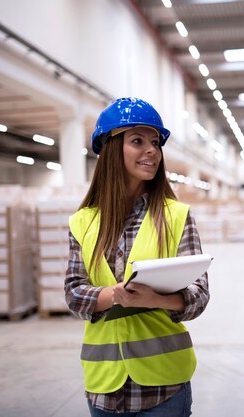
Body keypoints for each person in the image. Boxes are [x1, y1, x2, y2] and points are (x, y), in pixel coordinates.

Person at [64, 97, 210, 416]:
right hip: (105, 386)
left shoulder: (176, 216)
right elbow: (74, 293)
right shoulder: (83, 221)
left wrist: (156, 299)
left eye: (155, 142)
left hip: (164, 385)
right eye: (137, 141)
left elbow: (199, 296)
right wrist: (113, 295)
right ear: (112, 149)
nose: (151, 150)